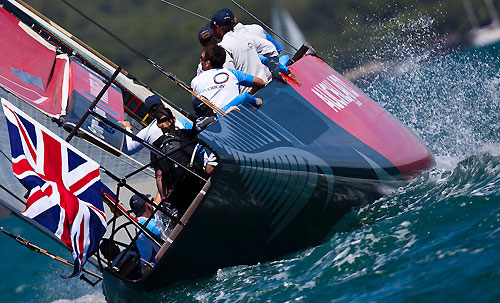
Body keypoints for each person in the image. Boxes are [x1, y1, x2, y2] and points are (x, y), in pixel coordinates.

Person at [151, 107, 206, 215]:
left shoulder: (156, 145)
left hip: (179, 195)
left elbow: (159, 176)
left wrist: (164, 199)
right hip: (197, 183)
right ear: (174, 120)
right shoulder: (185, 134)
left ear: (157, 125)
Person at [210, 8, 280, 92]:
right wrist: (275, 74)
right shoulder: (247, 36)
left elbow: (230, 75)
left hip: (250, 96)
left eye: (212, 28)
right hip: (267, 86)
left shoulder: (222, 46)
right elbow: (272, 49)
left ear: (218, 28)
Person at [191, 44, 265, 116]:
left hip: (213, 120)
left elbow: (197, 106)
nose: (200, 60)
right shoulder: (232, 73)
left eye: (202, 58)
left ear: (207, 63)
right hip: (231, 115)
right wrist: (252, 97)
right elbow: (260, 83)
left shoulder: (195, 81)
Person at [120, 95, 191, 155]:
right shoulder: (183, 122)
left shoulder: (147, 132)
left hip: (173, 169)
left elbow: (128, 150)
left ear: (150, 115)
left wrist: (128, 129)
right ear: (163, 105)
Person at [129, 194, 163, 268]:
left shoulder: (140, 221)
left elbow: (157, 200)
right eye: (149, 201)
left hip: (147, 266)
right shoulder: (147, 225)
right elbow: (165, 235)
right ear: (147, 205)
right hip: (155, 266)